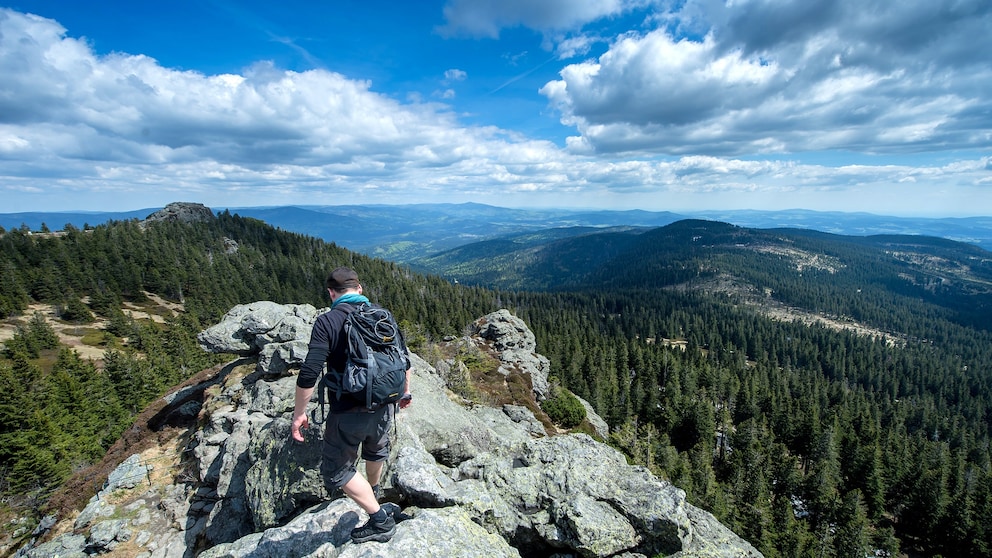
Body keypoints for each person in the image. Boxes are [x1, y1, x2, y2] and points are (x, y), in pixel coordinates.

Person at [291, 266, 412, 544]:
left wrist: (299, 413)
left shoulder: (327, 321)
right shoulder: (381, 315)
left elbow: (309, 372)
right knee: (376, 450)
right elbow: (404, 359)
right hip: (384, 406)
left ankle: (379, 519)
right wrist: (405, 393)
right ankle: (375, 495)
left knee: (337, 469)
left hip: (347, 411)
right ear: (360, 290)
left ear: (331, 293)